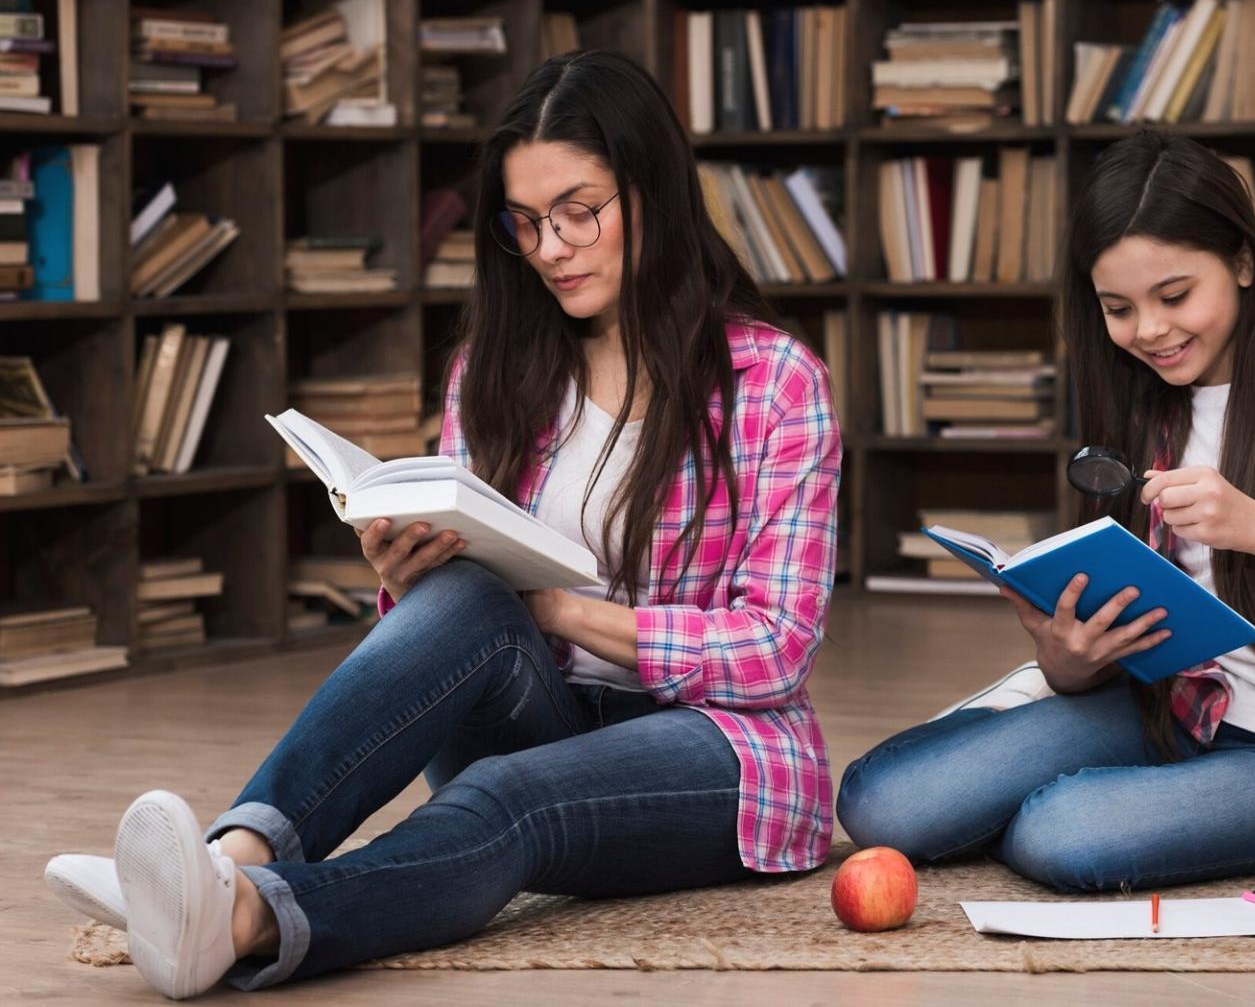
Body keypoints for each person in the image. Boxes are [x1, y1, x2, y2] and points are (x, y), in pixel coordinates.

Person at [44, 50, 841, 999]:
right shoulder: (496, 369)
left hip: (717, 747)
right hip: (540, 703)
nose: (552, 247)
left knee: (503, 796)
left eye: (580, 210)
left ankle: (247, 915)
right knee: (463, 592)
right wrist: (411, 570)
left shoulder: (773, 381)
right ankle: (231, 850)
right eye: (527, 223)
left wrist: (563, 613)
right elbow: (462, 622)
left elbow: (776, 648)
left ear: (653, 193)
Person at [836, 129, 1255, 893]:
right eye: (1119, 308)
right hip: (1171, 711)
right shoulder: (1139, 395)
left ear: (1242, 261)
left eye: (1174, 296)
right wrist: (1067, 663)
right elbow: (1123, 632)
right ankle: (1078, 802)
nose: (1151, 331)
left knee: (1060, 831)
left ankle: (1062, 810)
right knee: (879, 805)